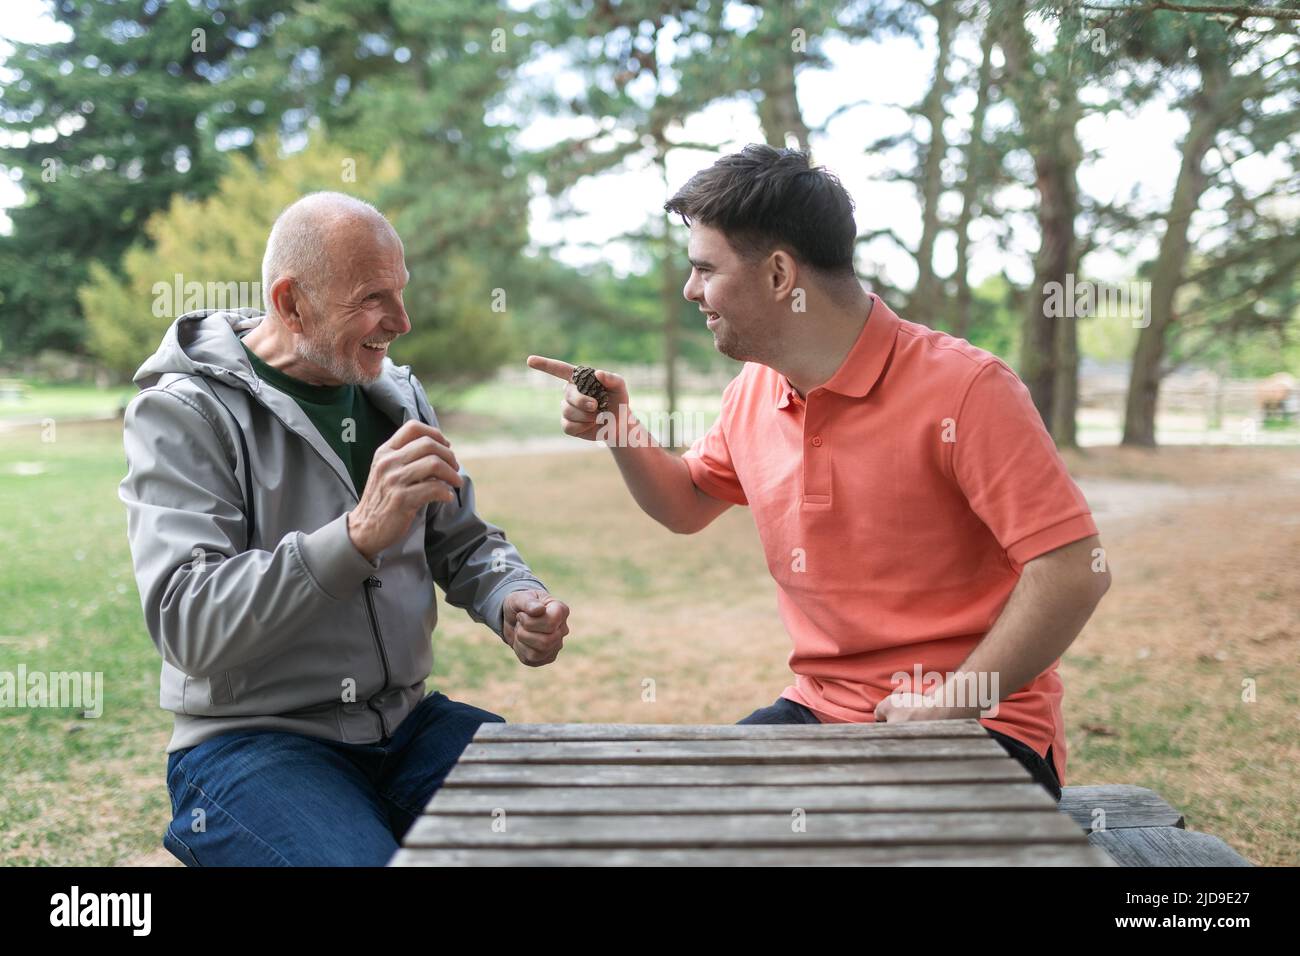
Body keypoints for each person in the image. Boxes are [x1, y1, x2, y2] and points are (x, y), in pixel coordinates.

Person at [529, 145, 1112, 802]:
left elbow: (1071, 572)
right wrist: (617, 425)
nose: (692, 291)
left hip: (981, 727)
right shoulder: (754, 390)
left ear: (779, 274)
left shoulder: (968, 388)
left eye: (704, 270)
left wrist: (950, 704)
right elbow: (687, 503)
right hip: (821, 714)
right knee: (680, 818)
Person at [120, 192, 571, 865]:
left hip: (410, 727)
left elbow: (464, 541)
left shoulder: (398, 394)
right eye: (371, 298)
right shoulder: (184, 412)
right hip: (253, 745)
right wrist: (356, 536)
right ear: (291, 301)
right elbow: (189, 623)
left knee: (586, 830)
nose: (401, 321)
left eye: (400, 292)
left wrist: (513, 600)